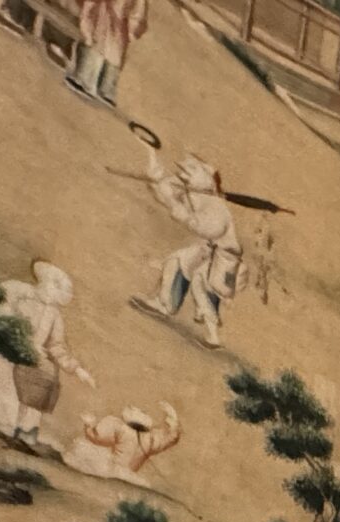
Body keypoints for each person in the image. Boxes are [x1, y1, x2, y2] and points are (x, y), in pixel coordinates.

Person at [0, 261, 93, 450]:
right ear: (47, 284)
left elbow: (56, 346)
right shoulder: (17, 293)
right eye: (61, 289)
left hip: (31, 366)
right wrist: (25, 343)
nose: (64, 296)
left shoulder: (53, 314)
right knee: (4, 399)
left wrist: (77, 369)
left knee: (31, 401)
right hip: (6, 357)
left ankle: (21, 440)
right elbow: (1, 318)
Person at [130, 149, 243, 350]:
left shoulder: (216, 206)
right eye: (184, 170)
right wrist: (156, 175)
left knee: (202, 284)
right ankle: (165, 304)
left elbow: (206, 227)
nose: (184, 174)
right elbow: (165, 194)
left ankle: (213, 337)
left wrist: (180, 210)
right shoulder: (191, 193)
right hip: (206, 248)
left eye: (191, 170)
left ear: (207, 176)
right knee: (177, 262)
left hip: (224, 256)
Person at [63, 402, 180, 482]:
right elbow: (172, 438)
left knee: (81, 446)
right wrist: (173, 419)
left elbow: (96, 438)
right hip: (130, 477)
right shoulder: (152, 438)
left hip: (113, 471)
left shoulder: (122, 428)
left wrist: (89, 425)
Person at [66, 0, 148, 108]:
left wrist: (133, 29)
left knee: (112, 54)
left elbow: (137, 14)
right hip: (101, 15)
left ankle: (105, 89)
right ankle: (85, 79)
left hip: (118, 24)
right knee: (95, 44)